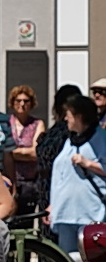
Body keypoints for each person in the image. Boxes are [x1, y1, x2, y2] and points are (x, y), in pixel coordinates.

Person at [48, 92, 106, 253]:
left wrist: (88, 163)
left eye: (68, 115)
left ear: (79, 116)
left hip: (91, 213)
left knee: (98, 260)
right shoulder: (70, 141)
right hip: (65, 211)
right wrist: (52, 205)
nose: (66, 119)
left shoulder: (101, 138)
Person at [2, 84, 44, 203]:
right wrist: (25, 152)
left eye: (26, 101)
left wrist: (12, 153)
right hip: (8, 181)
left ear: (31, 103)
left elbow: (36, 153)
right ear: (12, 102)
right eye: (18, 100)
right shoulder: (6, 122)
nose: (22, 104)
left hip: (29, 182)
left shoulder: (37, 124)